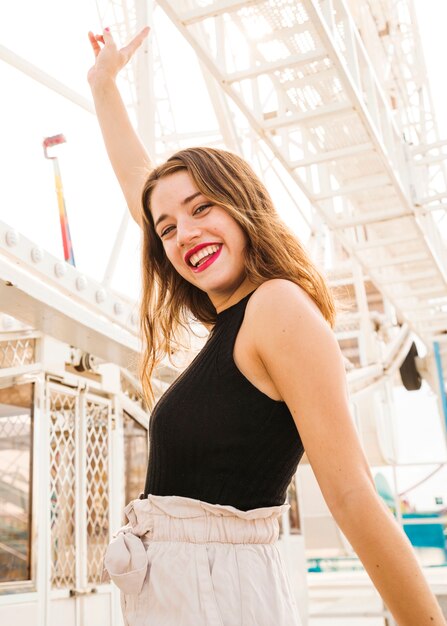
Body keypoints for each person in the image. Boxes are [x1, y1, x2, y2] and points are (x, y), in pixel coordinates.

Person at [88, 26, 447, 626]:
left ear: (244, 204)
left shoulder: (276, 307)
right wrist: (103, 86)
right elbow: (141, 190)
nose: (184, 233)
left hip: (216, 602)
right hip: (184, 596)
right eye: (168, 228)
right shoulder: (237, 321)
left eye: (203, 207)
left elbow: (353, 493)